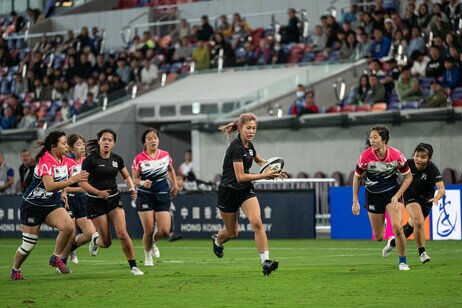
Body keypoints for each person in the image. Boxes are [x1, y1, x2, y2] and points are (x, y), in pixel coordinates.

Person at [212, 113, 286, 275]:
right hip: (228, 192)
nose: (252, 131)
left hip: (245, 190)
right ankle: (217, 241)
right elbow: (240, 177)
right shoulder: (236, 148)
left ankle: (265, 262)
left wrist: (273, 168)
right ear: (240, 128)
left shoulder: (249, 146)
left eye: (254, 128)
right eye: (249, 128)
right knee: (232, 233)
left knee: (257, 223)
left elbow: (260, 161)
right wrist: (265, 176)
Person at [10, 131, 89, 280]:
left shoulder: (65, 160)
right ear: (54, 147)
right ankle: (15, 270)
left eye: (67, 143)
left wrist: (64, 191)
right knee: (28, 245)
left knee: (69, 227)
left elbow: (79, 167)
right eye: (64, 143)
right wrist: (73, 180)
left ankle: (56, 257)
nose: (67, 145)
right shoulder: (46, 160)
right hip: (33, 205)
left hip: (52, 204)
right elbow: (49, 186)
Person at [79, 128, 143, 275]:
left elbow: (127, 177)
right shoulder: (90, 160)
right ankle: (96, 241)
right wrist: (98, 192)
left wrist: (132, 189)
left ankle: (133, 266)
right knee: (106, 243)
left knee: (122, 233)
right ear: (99, 141)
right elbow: (82, 183)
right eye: (104, 139)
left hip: (114, 200)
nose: (106, 142)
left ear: (114, 143)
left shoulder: (117, 159)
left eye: (110, 140)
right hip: (96, 202)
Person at [352, 125, 413, 271]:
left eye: (375, 137)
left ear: (384, 140)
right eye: (371, 137)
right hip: (373, 195)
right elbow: (356, 178)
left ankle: (402, 261)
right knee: (379, 236)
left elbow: (408, 177)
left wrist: (398, 195)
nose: (372, 140)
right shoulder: (365, 157)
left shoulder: (396, 156)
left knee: (398, 228)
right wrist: (355, 201)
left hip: (392, 194)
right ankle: (385, 229)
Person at [382, 143, 445, 263]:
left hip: (426, 200)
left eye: (423, 157)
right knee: (418, 220)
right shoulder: (408, 164)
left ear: (429, 159)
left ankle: (393, 241)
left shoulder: (432, 169)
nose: (419, 159)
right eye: (417, 155)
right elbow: (391, 170)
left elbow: (442, 189)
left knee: (412, 227)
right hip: (410, 196)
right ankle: (422, 253)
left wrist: (436, 198)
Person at [131, 128, 178, 266]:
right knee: (149, 229)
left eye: (155, 138)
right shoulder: (139, 159)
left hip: (163, 193)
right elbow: (135, 178)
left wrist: (175, 185)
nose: (153, 140)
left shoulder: (165, 155)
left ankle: (153, 242)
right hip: (145, 195)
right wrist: (143, 182)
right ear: (144, 142)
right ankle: (147, 255)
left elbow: (171, 169)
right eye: (149, 138)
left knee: (164, 230)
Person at [60, 134, 97, 266]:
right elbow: (62, 186)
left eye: (83, 144)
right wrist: (79, 189)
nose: (82, 147)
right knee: (70, 235)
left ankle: (71, 250)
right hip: (68, 201)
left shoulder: (86, 161)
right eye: (78, 144)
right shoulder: (65, 162)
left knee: (90, 233)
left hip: (83, 200)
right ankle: (61, 263)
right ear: (70, 148)